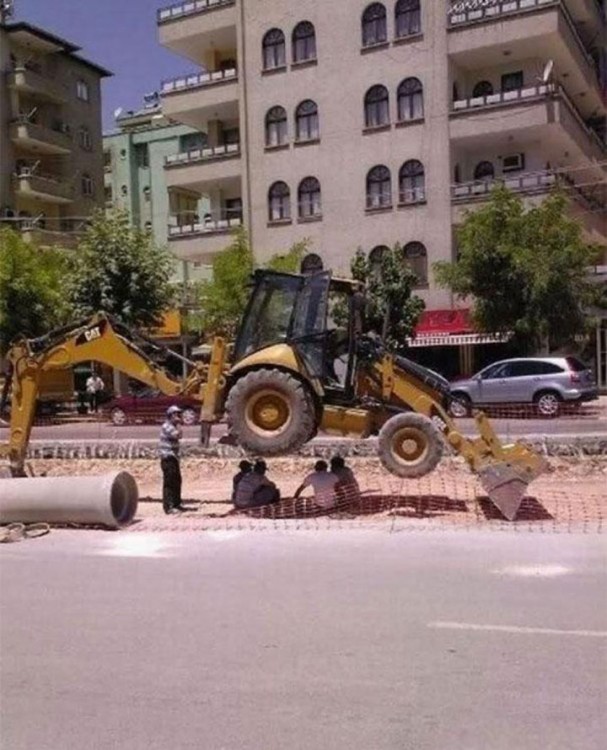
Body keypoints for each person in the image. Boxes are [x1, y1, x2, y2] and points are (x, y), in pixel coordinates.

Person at [159, 405, 185, 514]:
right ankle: (169, 507)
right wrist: (179, 423)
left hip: (173, 458)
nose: (179, 416)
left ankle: (177, 504)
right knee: (169, 483)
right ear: (170, 415)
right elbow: (178, 435)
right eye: (176, 414)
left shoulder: (173, 426)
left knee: (177, 481)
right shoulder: (167, 426)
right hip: (168, 458)